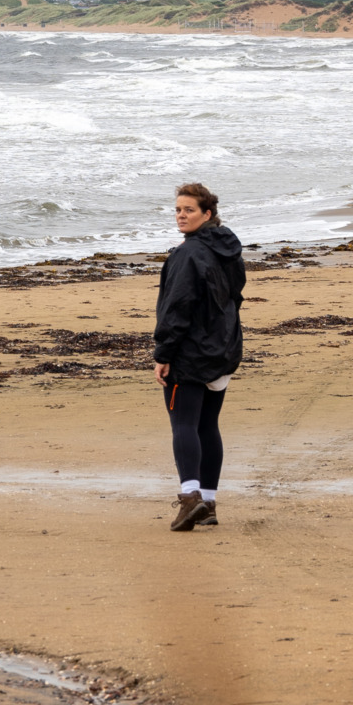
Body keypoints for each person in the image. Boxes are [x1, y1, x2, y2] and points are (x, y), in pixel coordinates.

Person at [153, 181, 246, 531]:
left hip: (191, 353)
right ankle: (208, 502)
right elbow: (234, 294)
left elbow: (177, 308)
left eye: (188, 210)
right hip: (223, 348)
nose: (181, 215)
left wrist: (164, 353)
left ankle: (190, 498)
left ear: (207, 214)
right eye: (178, 209)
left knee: (185, 424)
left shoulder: (187, 254)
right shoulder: (226, 248)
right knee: (208, 425)